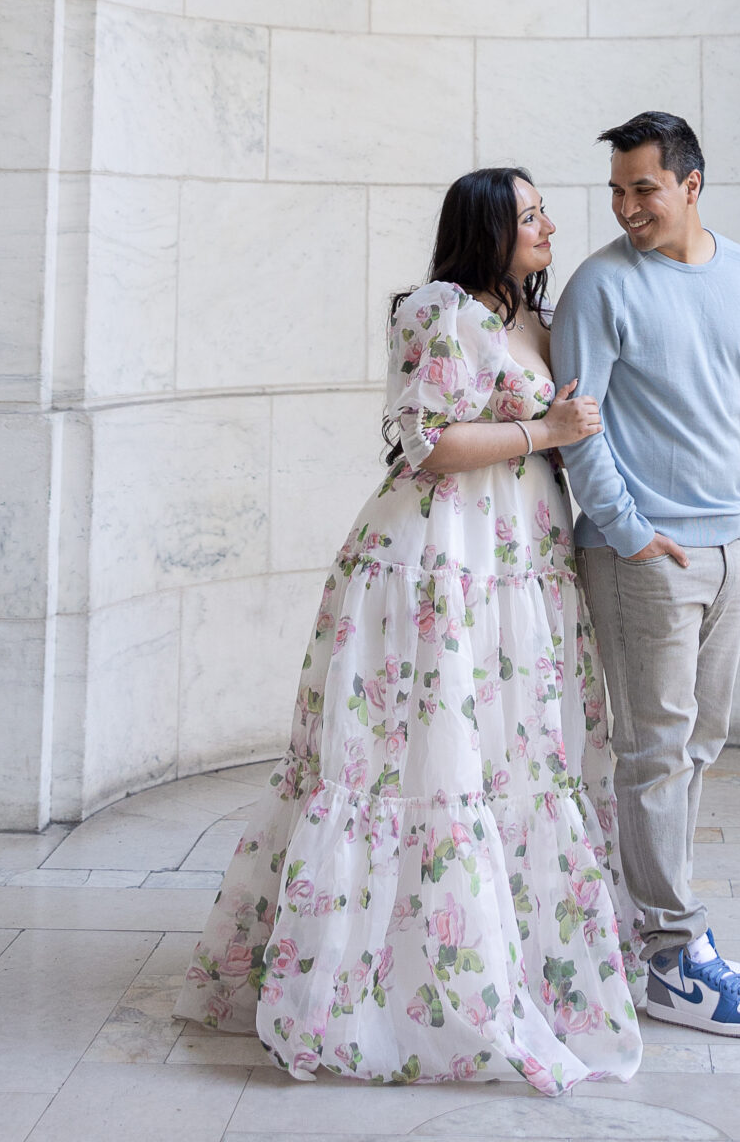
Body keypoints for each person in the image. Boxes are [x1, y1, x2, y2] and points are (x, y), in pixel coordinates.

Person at [176, 168, 642, 1093]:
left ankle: (499, 969)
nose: (548, 223)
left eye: (545, 209)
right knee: (419, 768)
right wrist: (546, 433)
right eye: (529, 213)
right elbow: (428, 441)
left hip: (515, 565)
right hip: (440, 562)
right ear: (486, 229)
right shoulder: (442, 310)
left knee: (503, 762)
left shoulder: (528, 318)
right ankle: (386, 990)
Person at [550, 110, 740, 1039]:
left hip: (734, 548)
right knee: (653, 749)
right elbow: (582, 427)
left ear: (692, 185)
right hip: (644, 560)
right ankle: (667, 953)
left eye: (642, 188)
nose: (625, 206)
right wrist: (629, 531)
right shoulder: (598, 287)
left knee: (699, 742)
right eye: (616, 190)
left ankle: (659, 929)